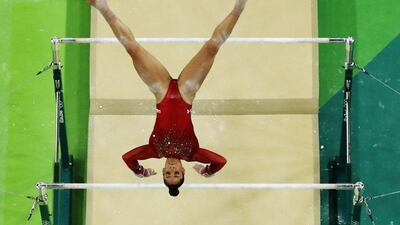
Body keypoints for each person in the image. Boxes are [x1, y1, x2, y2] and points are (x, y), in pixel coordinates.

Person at [88, 0, 247, 196]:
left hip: (161, 91)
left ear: (162, 171)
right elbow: (220, 161)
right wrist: (206, 171)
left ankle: (102, 6)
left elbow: (127, 157)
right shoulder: (192, 154)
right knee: (211, 48)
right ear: (183, 170)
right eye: (176, 173)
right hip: (186, 93)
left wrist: (140, 171)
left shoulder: (154, 150)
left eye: (168, 173)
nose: (172, 168)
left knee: (133, 51)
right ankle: (239, 8)